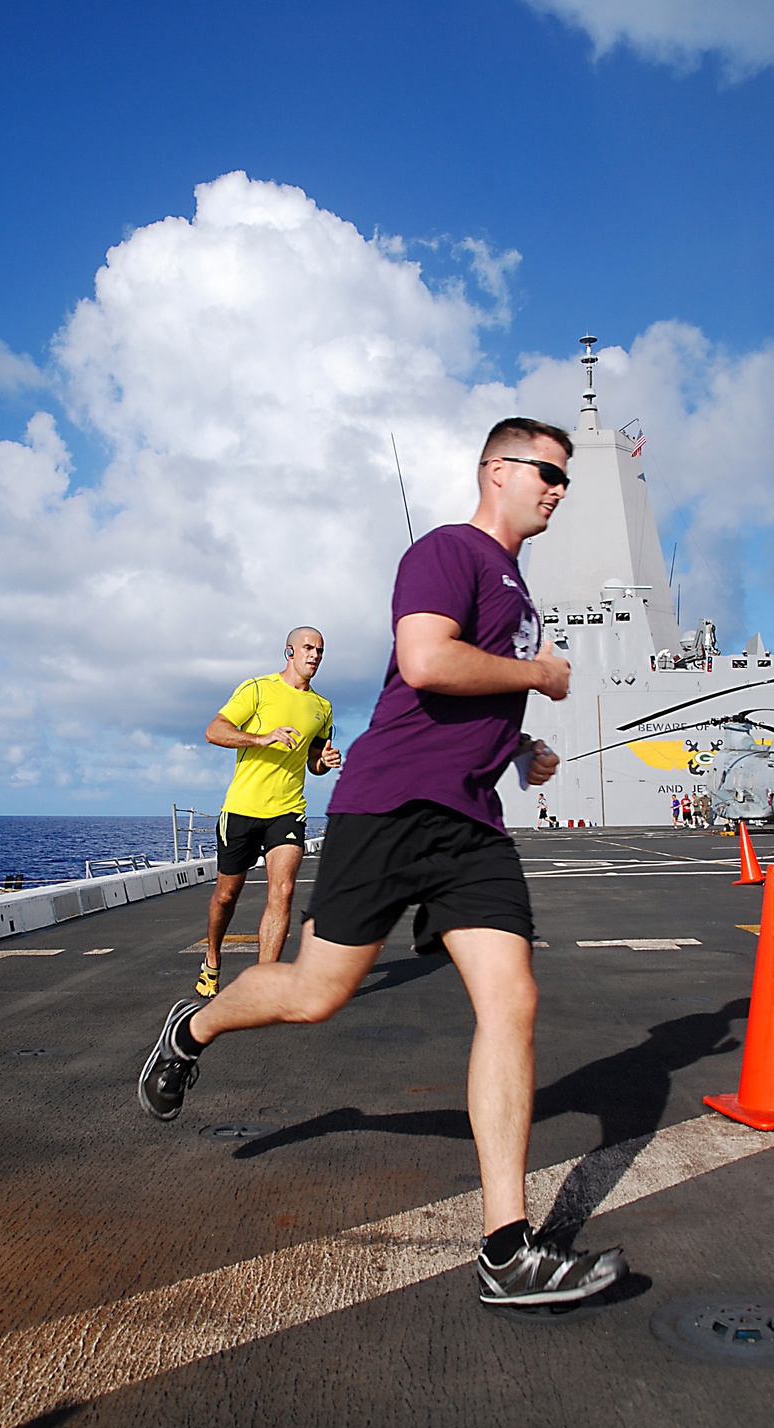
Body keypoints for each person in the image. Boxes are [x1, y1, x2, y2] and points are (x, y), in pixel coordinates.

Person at [139, 418, 627, 1309]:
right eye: (548, 471)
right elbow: (427, 660)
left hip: (471, 825)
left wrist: (523, 753)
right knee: (315, 993)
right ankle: (191, 1029)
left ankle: (506, 1249)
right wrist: (538, 679)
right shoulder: (450, 551)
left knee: (512, 998)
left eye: (567, 478)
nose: (559, 487)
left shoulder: (520, 595)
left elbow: (476, 701)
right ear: (496, 470)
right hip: (390, 806)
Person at [194, 627, 341, 998]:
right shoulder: (257, 689)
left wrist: (325, 761)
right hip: (242, 810)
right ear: (289, 652)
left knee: (284, 890)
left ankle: (263, 986)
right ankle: (212, 958)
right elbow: (215, 730)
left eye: (320, 650)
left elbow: (313, 764)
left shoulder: (322, 707)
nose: (314, 655)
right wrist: (262, 738)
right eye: (308, 648)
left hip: (288, 810)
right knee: (227, 896)